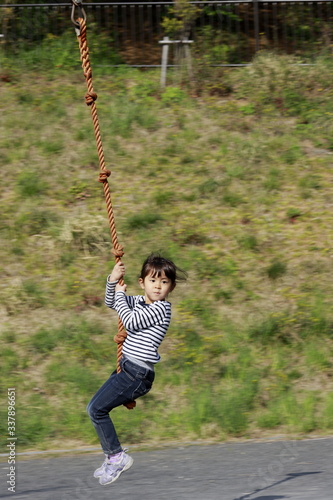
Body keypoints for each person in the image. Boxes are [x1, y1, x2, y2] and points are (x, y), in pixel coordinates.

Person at [87, 253, 186, 486]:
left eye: (164, 282)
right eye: (153, 281)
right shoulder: (140, 302)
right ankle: (113, 456)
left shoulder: (162, 309)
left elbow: (130, 321)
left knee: (96, 410)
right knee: (95, 408)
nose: (158, 286)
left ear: (171, 287)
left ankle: (116, 456)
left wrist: (121, 296)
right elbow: (112, 303)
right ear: (142, 283)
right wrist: (112, 281)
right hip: (128, 368)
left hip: (137, 374)